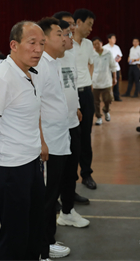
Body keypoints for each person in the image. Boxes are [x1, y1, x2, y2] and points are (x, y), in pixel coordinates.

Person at [0, 21, 47, 261]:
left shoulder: (29, 72)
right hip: (11, 168)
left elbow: (32, 114)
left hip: (31, 162)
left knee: (34, 226)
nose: (38, 49)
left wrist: (41, 143)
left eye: (42, 44)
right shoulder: (3, 78)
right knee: (15, 234)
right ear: (14, 45)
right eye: (32, 43)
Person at [33, 18, 73, 260]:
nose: (65, 38)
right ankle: (40, 250)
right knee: (45, 200)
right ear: (45, 39)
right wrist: (41, 141)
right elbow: (34, 106)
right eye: (60, 34)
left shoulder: (54, 63)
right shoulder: (40, 66)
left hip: (58, 140)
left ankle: (48, 241)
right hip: (48, 143)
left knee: (52, 196)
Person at [52, 11, 90, 207]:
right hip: (57, 121)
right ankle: (55, 199)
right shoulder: (50, 58)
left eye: (70, 28)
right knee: (57, 165)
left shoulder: (72, 52)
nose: (71, 32)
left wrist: (77, 106)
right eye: (66, 31)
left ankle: (69, 198)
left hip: (72, 117)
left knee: (72, 161)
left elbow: (72, 83)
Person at [72, 8, 97, 190]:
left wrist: (88, 82)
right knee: (74, 136)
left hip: (86, 94)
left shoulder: (88, 44)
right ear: (78, 22)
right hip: (71, 95)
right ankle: (71, 177)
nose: (90, 29)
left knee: (86, 135)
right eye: (89, 24)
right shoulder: (66, 44)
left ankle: (86, 174)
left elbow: (91, 64)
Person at [91, 37, 116, 126]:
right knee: (96, 101)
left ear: (101, 43)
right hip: (95, 81)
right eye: (94, 44)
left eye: (98, 43)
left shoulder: (108, 53)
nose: (96, 45)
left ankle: (106, 110)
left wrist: (115, 77)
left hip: (106, 80)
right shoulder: (92, 54)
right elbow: (89, 67)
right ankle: (98, 117)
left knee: (108, 99)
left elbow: (113, 66)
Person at [102, 34, 122, 102]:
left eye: (115, 38)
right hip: (107, 68)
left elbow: (120, 56)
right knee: (107, 83)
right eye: (113, 38)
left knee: (116, 83)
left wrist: (117, 59)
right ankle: (107, 97)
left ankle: (116, 96)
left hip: (116, 67)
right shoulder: (105, 47)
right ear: (109, 39)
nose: (114, 40)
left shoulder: (117, 47)